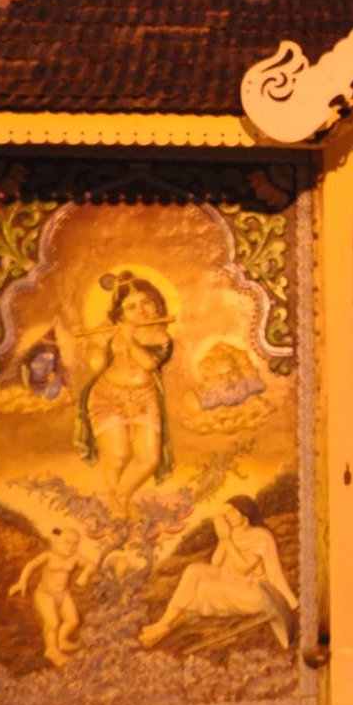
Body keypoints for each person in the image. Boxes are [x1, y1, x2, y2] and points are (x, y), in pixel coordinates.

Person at [138, 495, 298, 649]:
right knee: (193, 570)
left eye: (230, 513)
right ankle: (163, 624)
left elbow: (244, 569)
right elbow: (216, 562)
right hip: (234, 581)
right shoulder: (233, 533)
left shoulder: (261, 536)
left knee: (203, 589)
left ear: (243, 514)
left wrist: (227, 540)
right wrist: (222, 539)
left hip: (256, 593)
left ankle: (164, 628)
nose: (226, 517)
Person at [76, 270, 175, 513]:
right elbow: (96, 366)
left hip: (144, 397)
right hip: (107, 396)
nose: (141, 311)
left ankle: (118, 497)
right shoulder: (110, 331)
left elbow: (149, 365)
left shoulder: (160, 334)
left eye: (146, 303)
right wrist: (97, 343)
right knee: (118, 456)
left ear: (157, 305)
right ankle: (120, 504)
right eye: (131, 307)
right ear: (120, 314)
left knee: (150, 459)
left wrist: (129, 341)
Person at [8, 527, 96, 667]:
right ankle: (51, 650)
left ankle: (61, 641)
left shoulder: (75, 558)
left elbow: (91, 565)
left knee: (73, 620)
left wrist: (84, 574)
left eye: (74, 544)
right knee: (53, 623)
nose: (70, 547)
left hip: (63, 594)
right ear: (57, 541)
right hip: (45, 593)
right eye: (66, 542)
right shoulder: (48, 556)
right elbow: (30, 566)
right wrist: (22, 582)